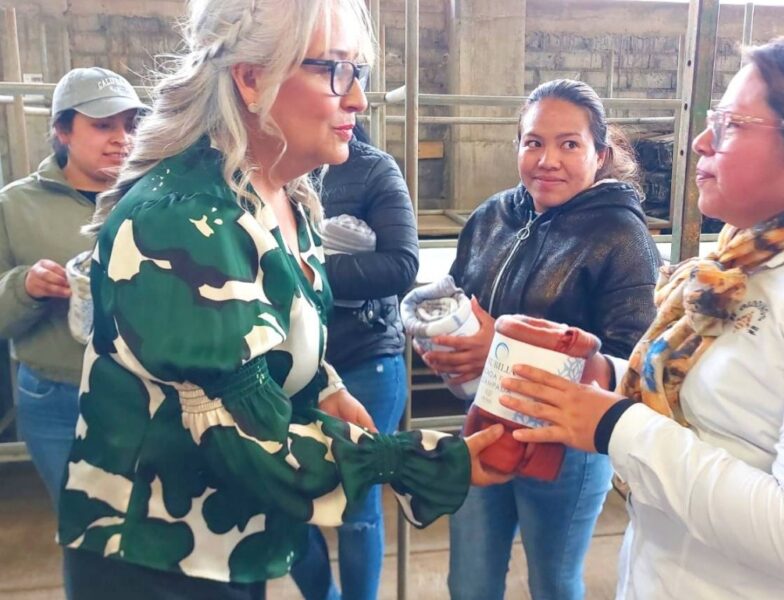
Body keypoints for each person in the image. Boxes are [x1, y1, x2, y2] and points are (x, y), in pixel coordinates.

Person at [499, 32, 784, 599]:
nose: (700, 143)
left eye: (729, 126)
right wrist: (606, 375)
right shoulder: (752, 261)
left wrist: (613, 425)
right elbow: (727, 421)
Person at [56, 1, 506, 598]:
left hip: (231, 540)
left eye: (358, 72)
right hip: (153, 555)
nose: (358, 99)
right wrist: (422, 461)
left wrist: (325, 386)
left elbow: (273, 335)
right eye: (334, 70)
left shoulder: (285, 197)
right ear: (251, 78)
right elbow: (244, 437)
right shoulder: (185, 220)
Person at [419, 79, 660, 600]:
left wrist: (499, 353)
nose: (548, 160)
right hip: (485, 421)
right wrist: (444, 340)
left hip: (566, 444)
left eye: (569, 144)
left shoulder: (621, 237)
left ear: (600, 154)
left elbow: (633, 365)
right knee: (469, 581)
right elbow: (460, 298)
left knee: (552, 583)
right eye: (534, 142)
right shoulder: (492, 217)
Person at [0, 67, 147, 506]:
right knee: (79, 519)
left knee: (146, 520)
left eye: (130, 125)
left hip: (144, 390)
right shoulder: (14, 206)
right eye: (103, 126)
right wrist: (26, 287)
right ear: (62, 130)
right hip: (57, 395)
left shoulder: (152, 198)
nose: (122, 139)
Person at [289, 123, 416, 600]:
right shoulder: (267, 169)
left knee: (357, 505)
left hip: (364, 358)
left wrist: (306, 266)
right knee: (288, 501)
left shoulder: (372, 168)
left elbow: (401, 265)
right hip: (289, 367)